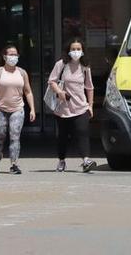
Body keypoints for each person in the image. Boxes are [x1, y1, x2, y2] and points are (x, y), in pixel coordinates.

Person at [48, 39, 96, 173]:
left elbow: (89, 87)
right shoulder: (61, 64)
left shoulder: (85, 67)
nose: (76, 52)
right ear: (68, 51)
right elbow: (51, 81)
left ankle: (86, 160)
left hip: (81, 107)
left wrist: (90, 105)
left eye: (78, 49)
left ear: (83, 51)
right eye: (73, 49)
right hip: (63, 108)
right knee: (63, 136)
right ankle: (61, 160)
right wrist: (59, 91)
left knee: (83, 133)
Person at [0, 44, 35, 174]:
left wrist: (32, 108)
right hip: (0, 109)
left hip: (17, 109)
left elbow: (28, 92)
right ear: (4, 56)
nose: (13, 57)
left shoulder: (22, 73)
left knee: (15, 136)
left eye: (15, 54)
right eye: (10, 54)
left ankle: (14, 163)